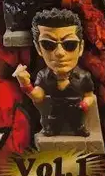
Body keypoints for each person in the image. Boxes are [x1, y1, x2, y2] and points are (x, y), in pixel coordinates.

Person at [13, 8, 96, 137]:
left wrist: (84, 104)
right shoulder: (43, 76)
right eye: (48, 44)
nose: (60, 53)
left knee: (78, 125)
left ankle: (79, 128)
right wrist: (25, 84)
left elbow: (90, 96)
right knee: (52, 126)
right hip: (55, 112)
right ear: (38, 48)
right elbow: (38, 96)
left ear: (80, 47)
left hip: (76, 111)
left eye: (70, 44)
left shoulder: (84, 76)